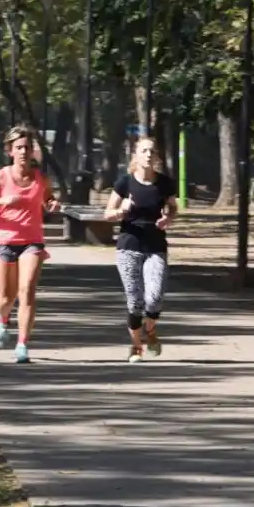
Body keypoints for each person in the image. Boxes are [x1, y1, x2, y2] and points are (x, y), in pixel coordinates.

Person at [0, 125, 61, 363]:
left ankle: (22, 344)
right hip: (5, 241)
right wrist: (2, 200)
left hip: (32, 242)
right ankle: (2, 320)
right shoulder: (1, 176)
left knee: (27, 291)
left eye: (28, 147)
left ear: (33, 151)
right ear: (10, 151)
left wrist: (53, 205)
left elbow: (49, 199)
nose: (24, 151)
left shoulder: (41, 178)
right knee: (6, 296)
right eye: (19, 147)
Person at [104, 137, 178, 363]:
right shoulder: (124, 183)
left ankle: (151, 329)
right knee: (135, 301)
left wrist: (168, 218)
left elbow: (173, 208)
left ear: (156, 156)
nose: (148, 154)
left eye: (152, 151)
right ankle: (136, 347)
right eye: (143, 151)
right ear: (135, 156)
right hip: (129, 246)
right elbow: (107, 213)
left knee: (154, 297)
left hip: (156, 246)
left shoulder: (164, 183)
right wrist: (121, 211)